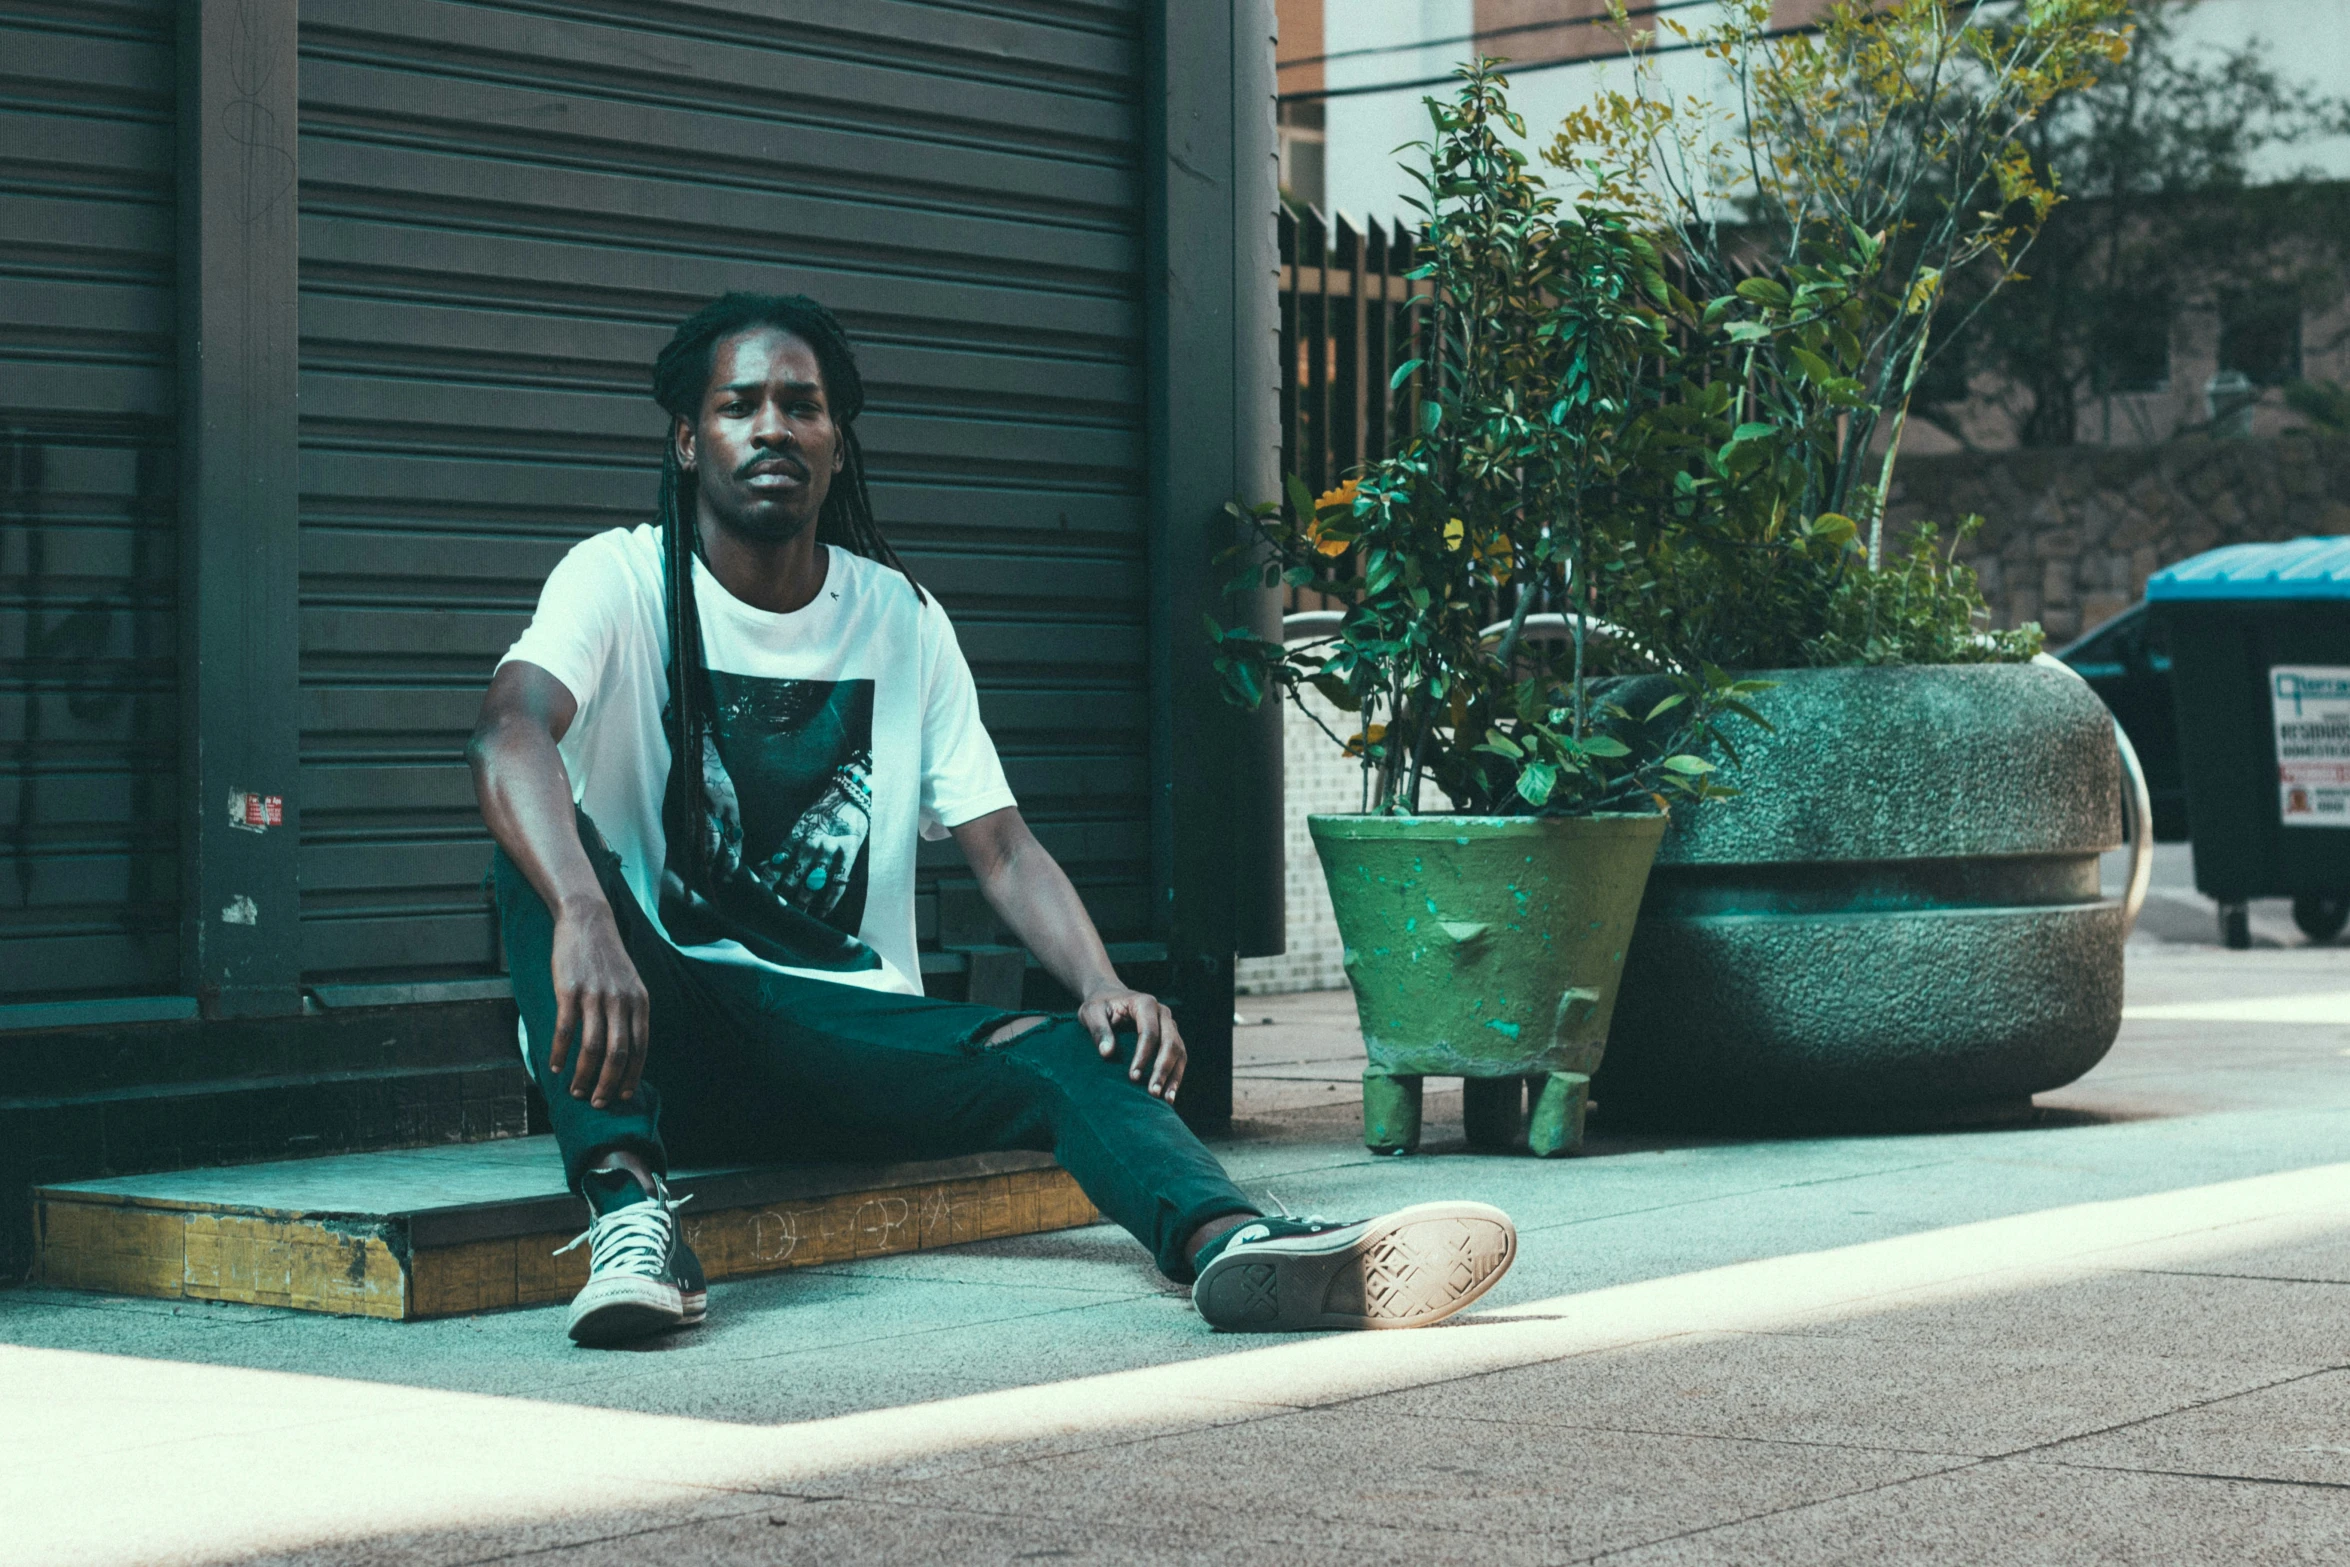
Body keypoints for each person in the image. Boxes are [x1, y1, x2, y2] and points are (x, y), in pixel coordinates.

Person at [467, 292, 1517, 1346]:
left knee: (1067, 1051)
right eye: (740, 406)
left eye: (804, 405)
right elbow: (509, 730)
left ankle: (1237, 1248)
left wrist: (1103, 982)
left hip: (846, 1043)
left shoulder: (901, 617)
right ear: (689, 441)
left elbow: (1002, 847)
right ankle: (630, 1215)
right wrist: (584, 914)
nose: (774, 427)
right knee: (536, 847)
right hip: (653, 1028)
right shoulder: (617, 578)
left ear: (838, 444)